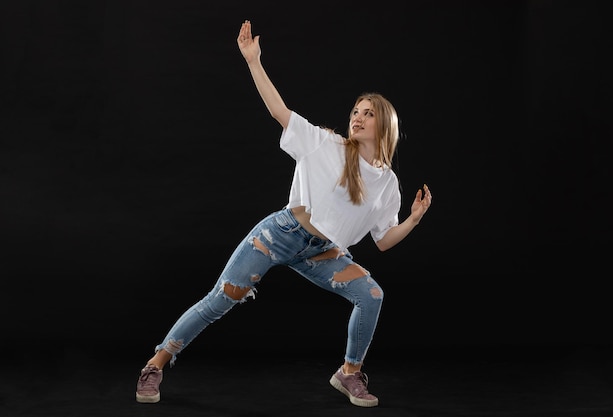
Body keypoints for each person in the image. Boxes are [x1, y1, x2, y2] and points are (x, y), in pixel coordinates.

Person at [135, 19, 432, 408]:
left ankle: (348, 373)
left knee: (372, 295)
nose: (357, 117)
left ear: (385, 124)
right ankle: (155, 365)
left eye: (368, 113)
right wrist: (253, 61)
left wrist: (412, 219)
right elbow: (279, 110)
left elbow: (383, 241)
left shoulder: (388, 183)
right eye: (355, 111)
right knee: (219, 300)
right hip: (280, 234)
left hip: (322, 252)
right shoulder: (326, 144)